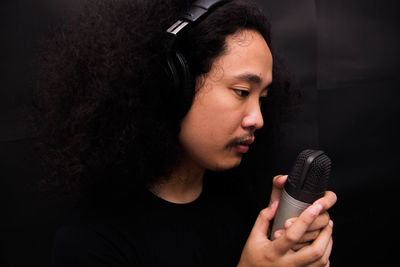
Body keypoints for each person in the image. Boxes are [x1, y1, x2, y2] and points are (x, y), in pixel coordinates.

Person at [33, 0, 337, 266]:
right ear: (174, 86)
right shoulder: (92, 242)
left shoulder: (249, 207)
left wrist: (283, 242)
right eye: (242, 92)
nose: (257, 119)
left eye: (263, 99)